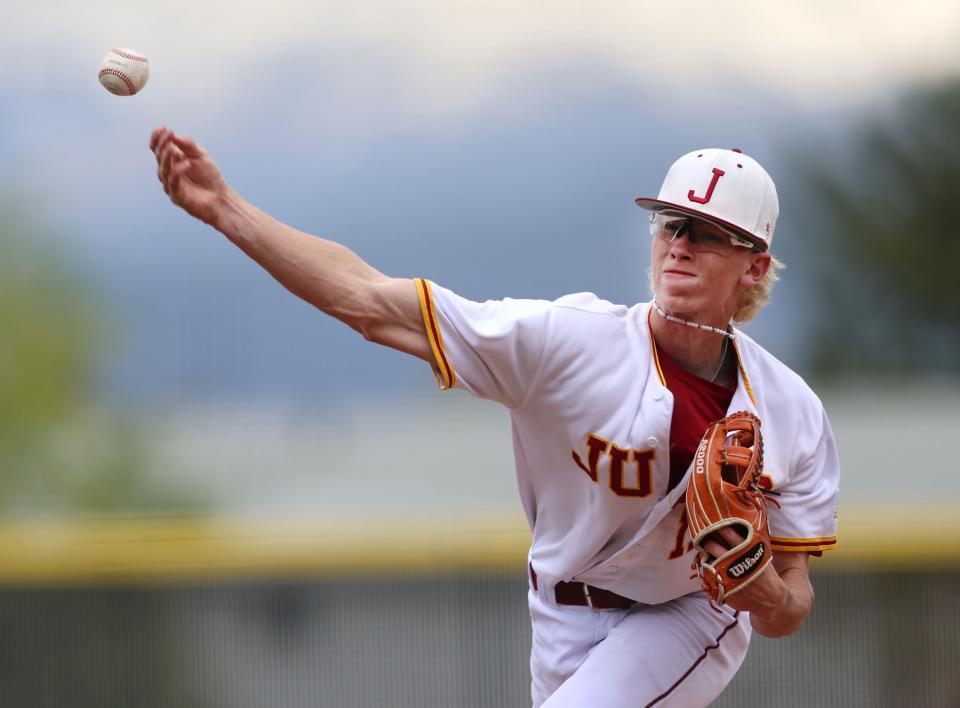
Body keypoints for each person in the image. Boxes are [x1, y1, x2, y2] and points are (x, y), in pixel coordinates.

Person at [150, 128, 839, 707]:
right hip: (560, 608)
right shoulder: (567, 342)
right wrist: (226, 210)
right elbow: (367, 301)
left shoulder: (792, 413)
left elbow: (793, 606)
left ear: (754, 268)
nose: (681, 244)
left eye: (710, 234)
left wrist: (763, 593)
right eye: (671, 224)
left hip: (689, 613)